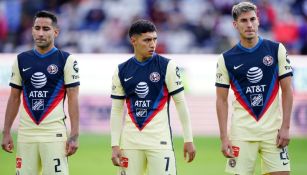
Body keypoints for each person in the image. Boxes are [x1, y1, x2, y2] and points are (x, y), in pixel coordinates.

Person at [215, 2, 293, 175]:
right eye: (243, 20)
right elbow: (221, 100)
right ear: (235, 25)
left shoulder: (276, 50)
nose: (249, 24)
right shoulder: (226, 59)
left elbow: (287, 90)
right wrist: (223, 137)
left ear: (258, 20)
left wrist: (286, 127)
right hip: (241, 133)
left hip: (273, 133)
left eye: (252, 19)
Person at [110, 19, 196, 175]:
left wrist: (188, 139)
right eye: (147, 40)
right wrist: (115, 144)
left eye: (154, 39)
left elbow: (181, 103)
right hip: (130, 143)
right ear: (133, 41)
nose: (152, 44)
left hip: (159, 142)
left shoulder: (167, 66)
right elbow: (116, 110)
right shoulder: (121, 70)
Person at [1, 10, 80, 175]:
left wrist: (74, 134)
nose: (40, 33)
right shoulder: (21, 59)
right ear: (32, 30)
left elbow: (73, 98)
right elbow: (14, 98)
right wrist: (6, 131)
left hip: (54, 134)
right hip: (26, 134)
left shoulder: (66, 59)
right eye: (37, 28)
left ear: (56, 32)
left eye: (46, 29)